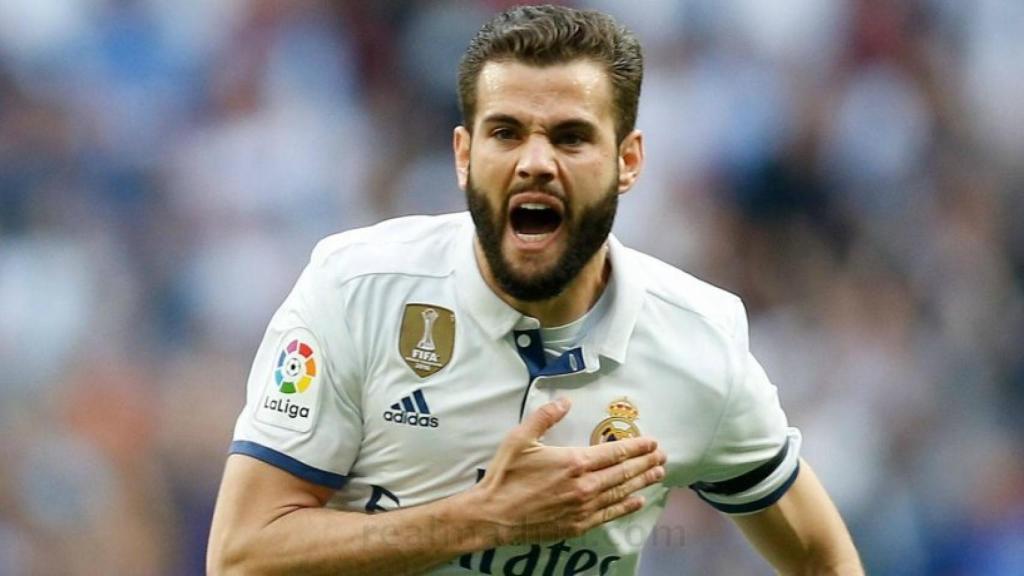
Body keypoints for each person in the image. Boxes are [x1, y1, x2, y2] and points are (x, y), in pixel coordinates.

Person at [207, 5, 863, 575]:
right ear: (463, 156)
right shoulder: (357, 292)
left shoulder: (697, 343)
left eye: (572, 137)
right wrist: (486, 520)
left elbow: (822, 558)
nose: (535, 161)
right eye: (506, 132)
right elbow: (242, 554)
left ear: (627, 160)